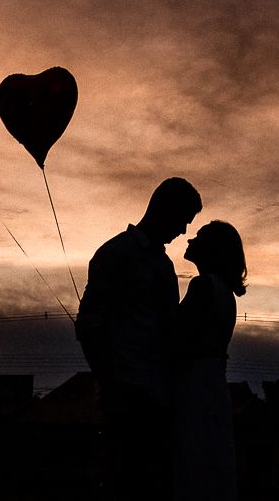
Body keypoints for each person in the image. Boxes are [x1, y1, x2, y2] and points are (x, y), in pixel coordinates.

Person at [77, 177, 202, 500]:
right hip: (128, 396)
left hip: (158, 397)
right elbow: (90, 325)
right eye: (183, 220)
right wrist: (111, 387)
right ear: (164, 209)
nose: (184, 231)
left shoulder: (163, 265)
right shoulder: (116, 254)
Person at [171, 220, 245, 501]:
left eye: (199, 237)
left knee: (191, 462)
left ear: (212, 250)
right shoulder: (225, 292)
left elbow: (176, 337)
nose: (190, 241)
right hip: (213, 383)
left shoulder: (203, 286)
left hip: (194, 384)